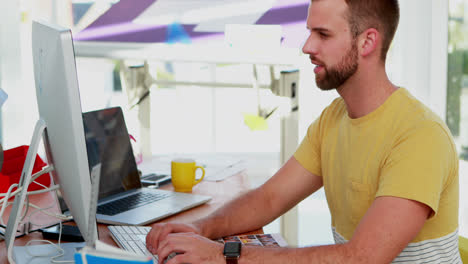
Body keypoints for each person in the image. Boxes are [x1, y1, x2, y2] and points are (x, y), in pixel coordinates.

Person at [146, 0, 462, 263]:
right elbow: (268, 199)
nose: (307, 46)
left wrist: (222, 255)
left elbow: (361, 258)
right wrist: (200, 229)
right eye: (310, 31)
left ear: (367, 42)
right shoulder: (333, 119)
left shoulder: (419, 136)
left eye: (322, 34)